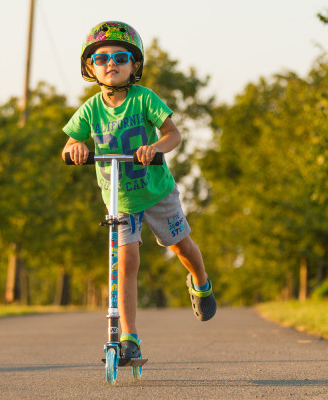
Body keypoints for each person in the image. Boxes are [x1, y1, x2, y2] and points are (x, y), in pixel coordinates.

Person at [62, 21, 216, 359]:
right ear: (91, 67)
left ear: (135, 65)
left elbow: (173, 134)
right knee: (125, 263)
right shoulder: (90, 109)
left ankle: (200, 281)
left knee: (180, 247)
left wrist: (156, 148)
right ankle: (129, 337)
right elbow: (70, 142)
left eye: (121, 57)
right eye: (102, 59)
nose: (111, 64)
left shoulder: (144, 99)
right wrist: (76, 149)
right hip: (120, 198)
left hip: (157, 192)